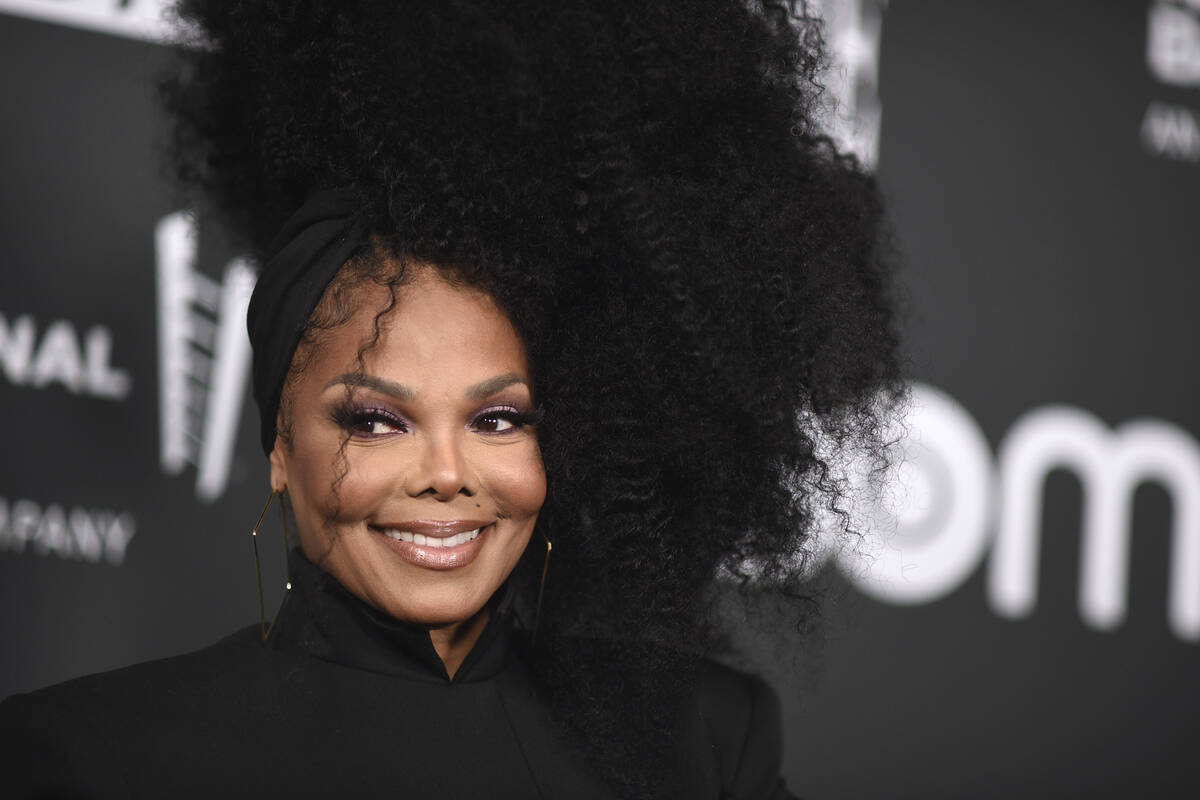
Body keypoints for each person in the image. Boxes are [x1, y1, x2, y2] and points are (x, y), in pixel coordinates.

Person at [0, 1, 902, 797]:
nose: (444, 474)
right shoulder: (87, 761)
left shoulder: (703, 749)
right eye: (374, 420)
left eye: (498, 419)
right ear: (279, 443)